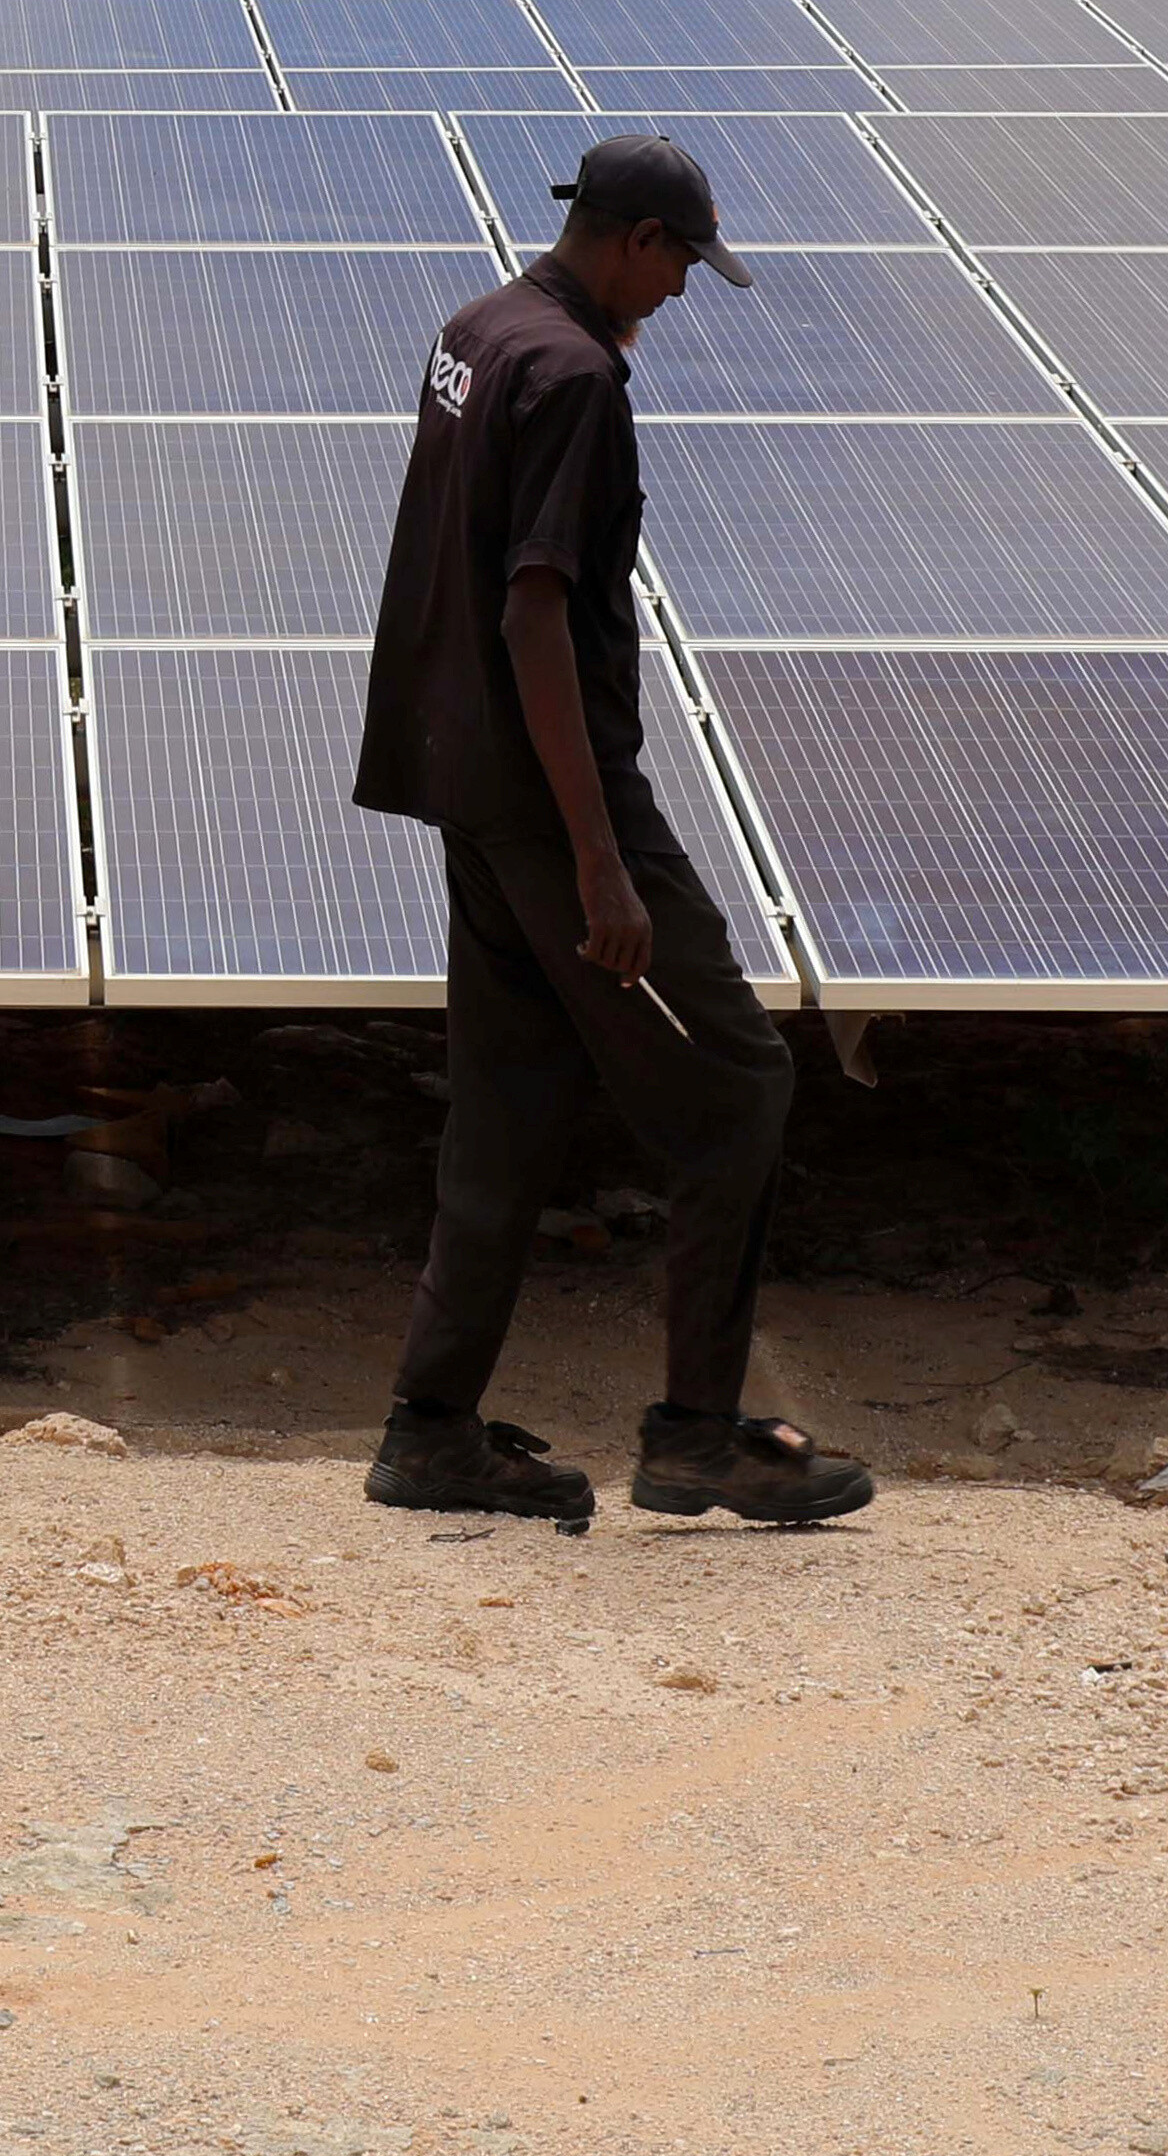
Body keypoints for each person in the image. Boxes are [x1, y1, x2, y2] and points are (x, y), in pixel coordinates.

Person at [349, 132, 872, 1534]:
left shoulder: (479, 329)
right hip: (555, 797)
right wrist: (596, 857)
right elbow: (533, 604)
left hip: (461, 780)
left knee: (506, 1113)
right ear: (635, 238)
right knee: (741, 1091)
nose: (686, 291)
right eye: (684, 262)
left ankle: (431, 1431)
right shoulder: (575, 377)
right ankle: (699, 1437)